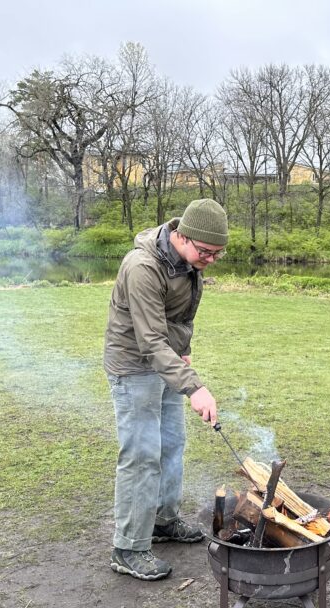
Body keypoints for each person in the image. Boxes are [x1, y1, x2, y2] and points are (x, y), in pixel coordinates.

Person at [103, 198, 228, 581]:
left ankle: (162, 520)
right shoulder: (142, 268)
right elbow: (151, 342)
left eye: (218, 253)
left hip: (168, 365)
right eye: (206, 252)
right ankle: (128, 547)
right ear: (181, 236)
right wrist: (195, 388)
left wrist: (184, 354)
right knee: (142, 455)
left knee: (172, 445)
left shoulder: (191, 262)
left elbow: (181, 317)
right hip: (134, 366)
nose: (210, 260)